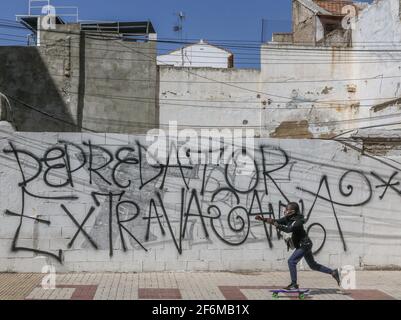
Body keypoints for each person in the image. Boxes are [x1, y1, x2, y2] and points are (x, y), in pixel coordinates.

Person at [256, 202, 341, 290]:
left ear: (292, 211)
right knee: (313, 265)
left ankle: (294, 284)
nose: (285, 211)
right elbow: (276, 221)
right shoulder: (288, 218)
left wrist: (276, 225)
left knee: (291, 261)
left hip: (304, 245)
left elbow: (288, 229)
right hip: (305, 245)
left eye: (287, 209)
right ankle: (333, 272)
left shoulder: (298, 221)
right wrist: (263, 219)